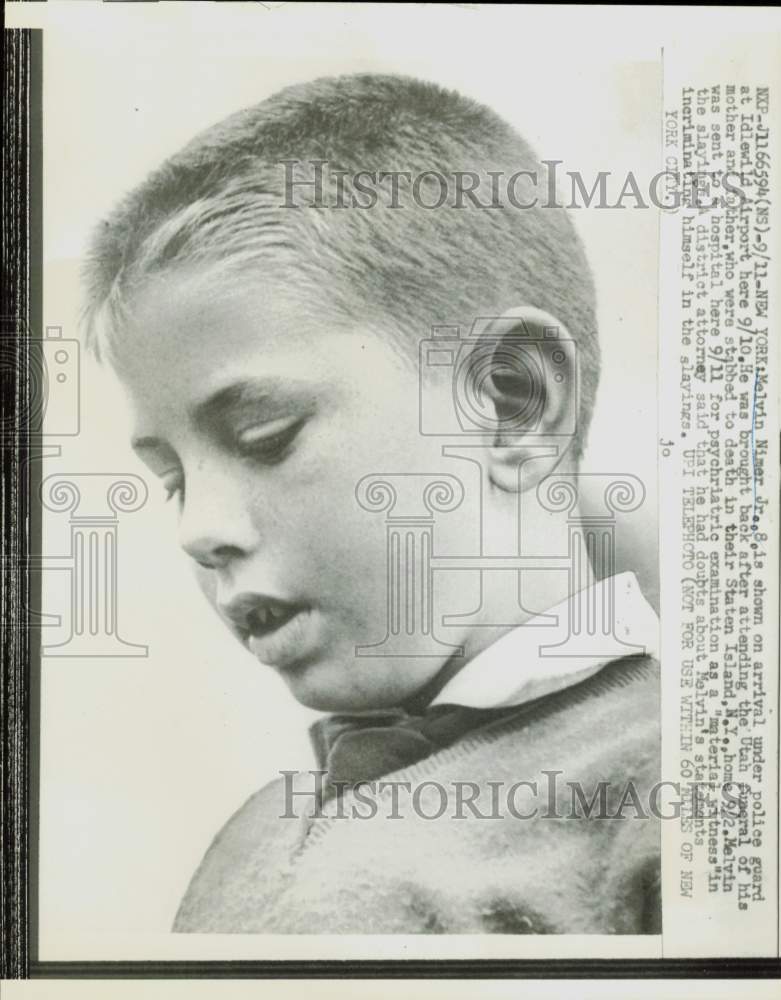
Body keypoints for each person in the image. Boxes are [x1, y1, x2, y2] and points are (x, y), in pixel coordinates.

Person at [83, 74, 660, 934]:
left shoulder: (692, 793)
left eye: (265, 436)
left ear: (510, 402)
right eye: (173, 479)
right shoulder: (249, 840)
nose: (197, 530)